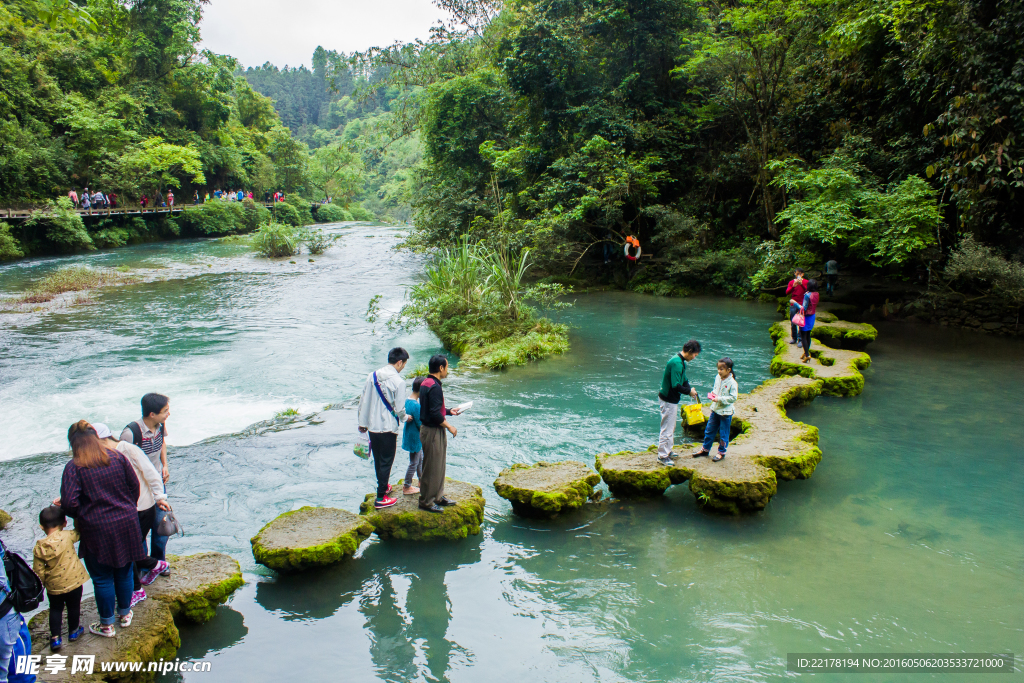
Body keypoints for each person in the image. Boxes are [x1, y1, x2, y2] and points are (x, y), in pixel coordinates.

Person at [60, 421, 145, 637]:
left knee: (102, 578)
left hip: (96, 529)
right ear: (96, 437)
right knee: (124, 571)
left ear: (73, 443)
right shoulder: (116, 457)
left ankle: (106, 625)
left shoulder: (74, 467)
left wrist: (85, 512)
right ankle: (125, 615)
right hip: (126, 522)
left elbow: (69, 503)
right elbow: (134, 487)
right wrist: (124, 506)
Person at [94, 423, 169, 606]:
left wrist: (160, 496)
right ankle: (153, 567)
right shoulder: (102, 456)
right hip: (124, 511)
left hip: (142, 507)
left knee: (128, 550)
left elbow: (151, 473)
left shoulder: (128, 449)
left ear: (102, 439)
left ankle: (139, 588)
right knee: (131, 549)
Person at [120, 394, 171, 565]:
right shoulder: (131, 433)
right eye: (165, 411)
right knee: (139, 530)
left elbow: (162, 442)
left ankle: (159, 563)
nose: (168, 414)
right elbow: (121, 463)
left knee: (161, 527)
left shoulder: (160, 424)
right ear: (152, 414)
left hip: (158, 484)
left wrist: (165, 465)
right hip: (139, 490)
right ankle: (142, 565)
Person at [357, 348, 410, 509]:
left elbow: (364, 400)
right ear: (399, 362)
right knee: (387, 460)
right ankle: (381, 497)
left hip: (372, 426)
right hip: (387, 427)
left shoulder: (372, 376)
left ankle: (384, 486)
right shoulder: (399, 382)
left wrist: (362, 423)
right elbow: (400, 408)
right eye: (404, 364)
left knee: (379, 459)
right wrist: (406, 418)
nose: (403, 368)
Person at [32, 506, 88, 652]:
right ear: (64, 523)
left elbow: (38, 570)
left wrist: (45, 582)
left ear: (41, 526)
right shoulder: (67, 536)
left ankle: (55, 638)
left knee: (55, 609)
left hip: (53, 586)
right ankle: (73, 631)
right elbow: (80, 532)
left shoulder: (39, 547)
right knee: (74, 606)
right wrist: (75, 515)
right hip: (74, 581)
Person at [418, 354, 464, 513]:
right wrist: (450, 426)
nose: (448, 370)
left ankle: (437, 496)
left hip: (429, 429)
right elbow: (435, 414)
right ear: (441, 368)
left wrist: (450, 411)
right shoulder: (435, 386)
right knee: (431, 466)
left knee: (438, 464)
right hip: (433, 430)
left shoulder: (426, 382)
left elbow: (435, 409)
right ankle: (426, 501)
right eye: (447, 367)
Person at [657, 339, 701, 466]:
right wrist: (689, 392)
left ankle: (668, 451)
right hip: (668, 399)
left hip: (671, 399)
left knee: (671, 426)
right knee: (667, 427)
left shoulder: (681, 361)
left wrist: (690, 389)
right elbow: (676, 385)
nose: (694, 358)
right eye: (694, 355)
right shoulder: (677, 363)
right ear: (690, 351)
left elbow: (684, 379)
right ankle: (662, 456)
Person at [691, 358, 739, 462]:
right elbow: (715, 388)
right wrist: (713, 394)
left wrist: (719, 399)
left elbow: (733, 398)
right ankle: (705, 449)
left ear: (728, 370)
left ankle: (721, 452)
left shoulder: (732, 383)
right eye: (718, 369)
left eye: (722, 369)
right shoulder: (717, 377)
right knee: (709, 430)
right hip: (715, 409)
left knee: (723, 433)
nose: (719, 371)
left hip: (725, 412)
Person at [401, 377, 425, 495]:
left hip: (409, 436)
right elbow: (420, 424)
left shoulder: (407, 401)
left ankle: (421, 481)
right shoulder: (416, 406)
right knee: (414, 462)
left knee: (420, 459)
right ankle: (407, 486)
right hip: (415, 438)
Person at [793, 279, 821, 363]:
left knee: (803, 336)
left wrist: (794, 303)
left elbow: (803, 308)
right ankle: (806, 353)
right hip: (812, 316)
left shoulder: (807, 295)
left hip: (805, 317)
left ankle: (807, 355)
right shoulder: (817, 294)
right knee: (808, 334)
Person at [785, 268, 808, 345]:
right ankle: (794, 338)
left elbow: (808, 292)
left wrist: (802, 285)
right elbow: (787, 292)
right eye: (797, 273)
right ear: (794, 274)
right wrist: (793, 286)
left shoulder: (806, 282)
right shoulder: (791, 282)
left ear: (803, 274)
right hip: (793, 303)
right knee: (793, 322)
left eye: (800, 274)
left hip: (802, 304)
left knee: (801, 322)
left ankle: (800, 340)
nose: (798, 275)